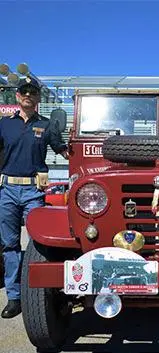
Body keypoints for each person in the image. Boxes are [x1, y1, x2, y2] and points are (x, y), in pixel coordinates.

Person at [0, 77, 68, 318]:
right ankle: (14, 297)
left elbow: (63, 150)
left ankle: (37, 296)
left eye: (32, 92)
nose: (28, 95)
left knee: (38, 244)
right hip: (6, 189)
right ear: (17, 96)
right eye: (23, 91)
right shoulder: (4, 124)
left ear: (38, 98)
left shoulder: (48, 125)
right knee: (9, 245)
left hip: (33, 192)